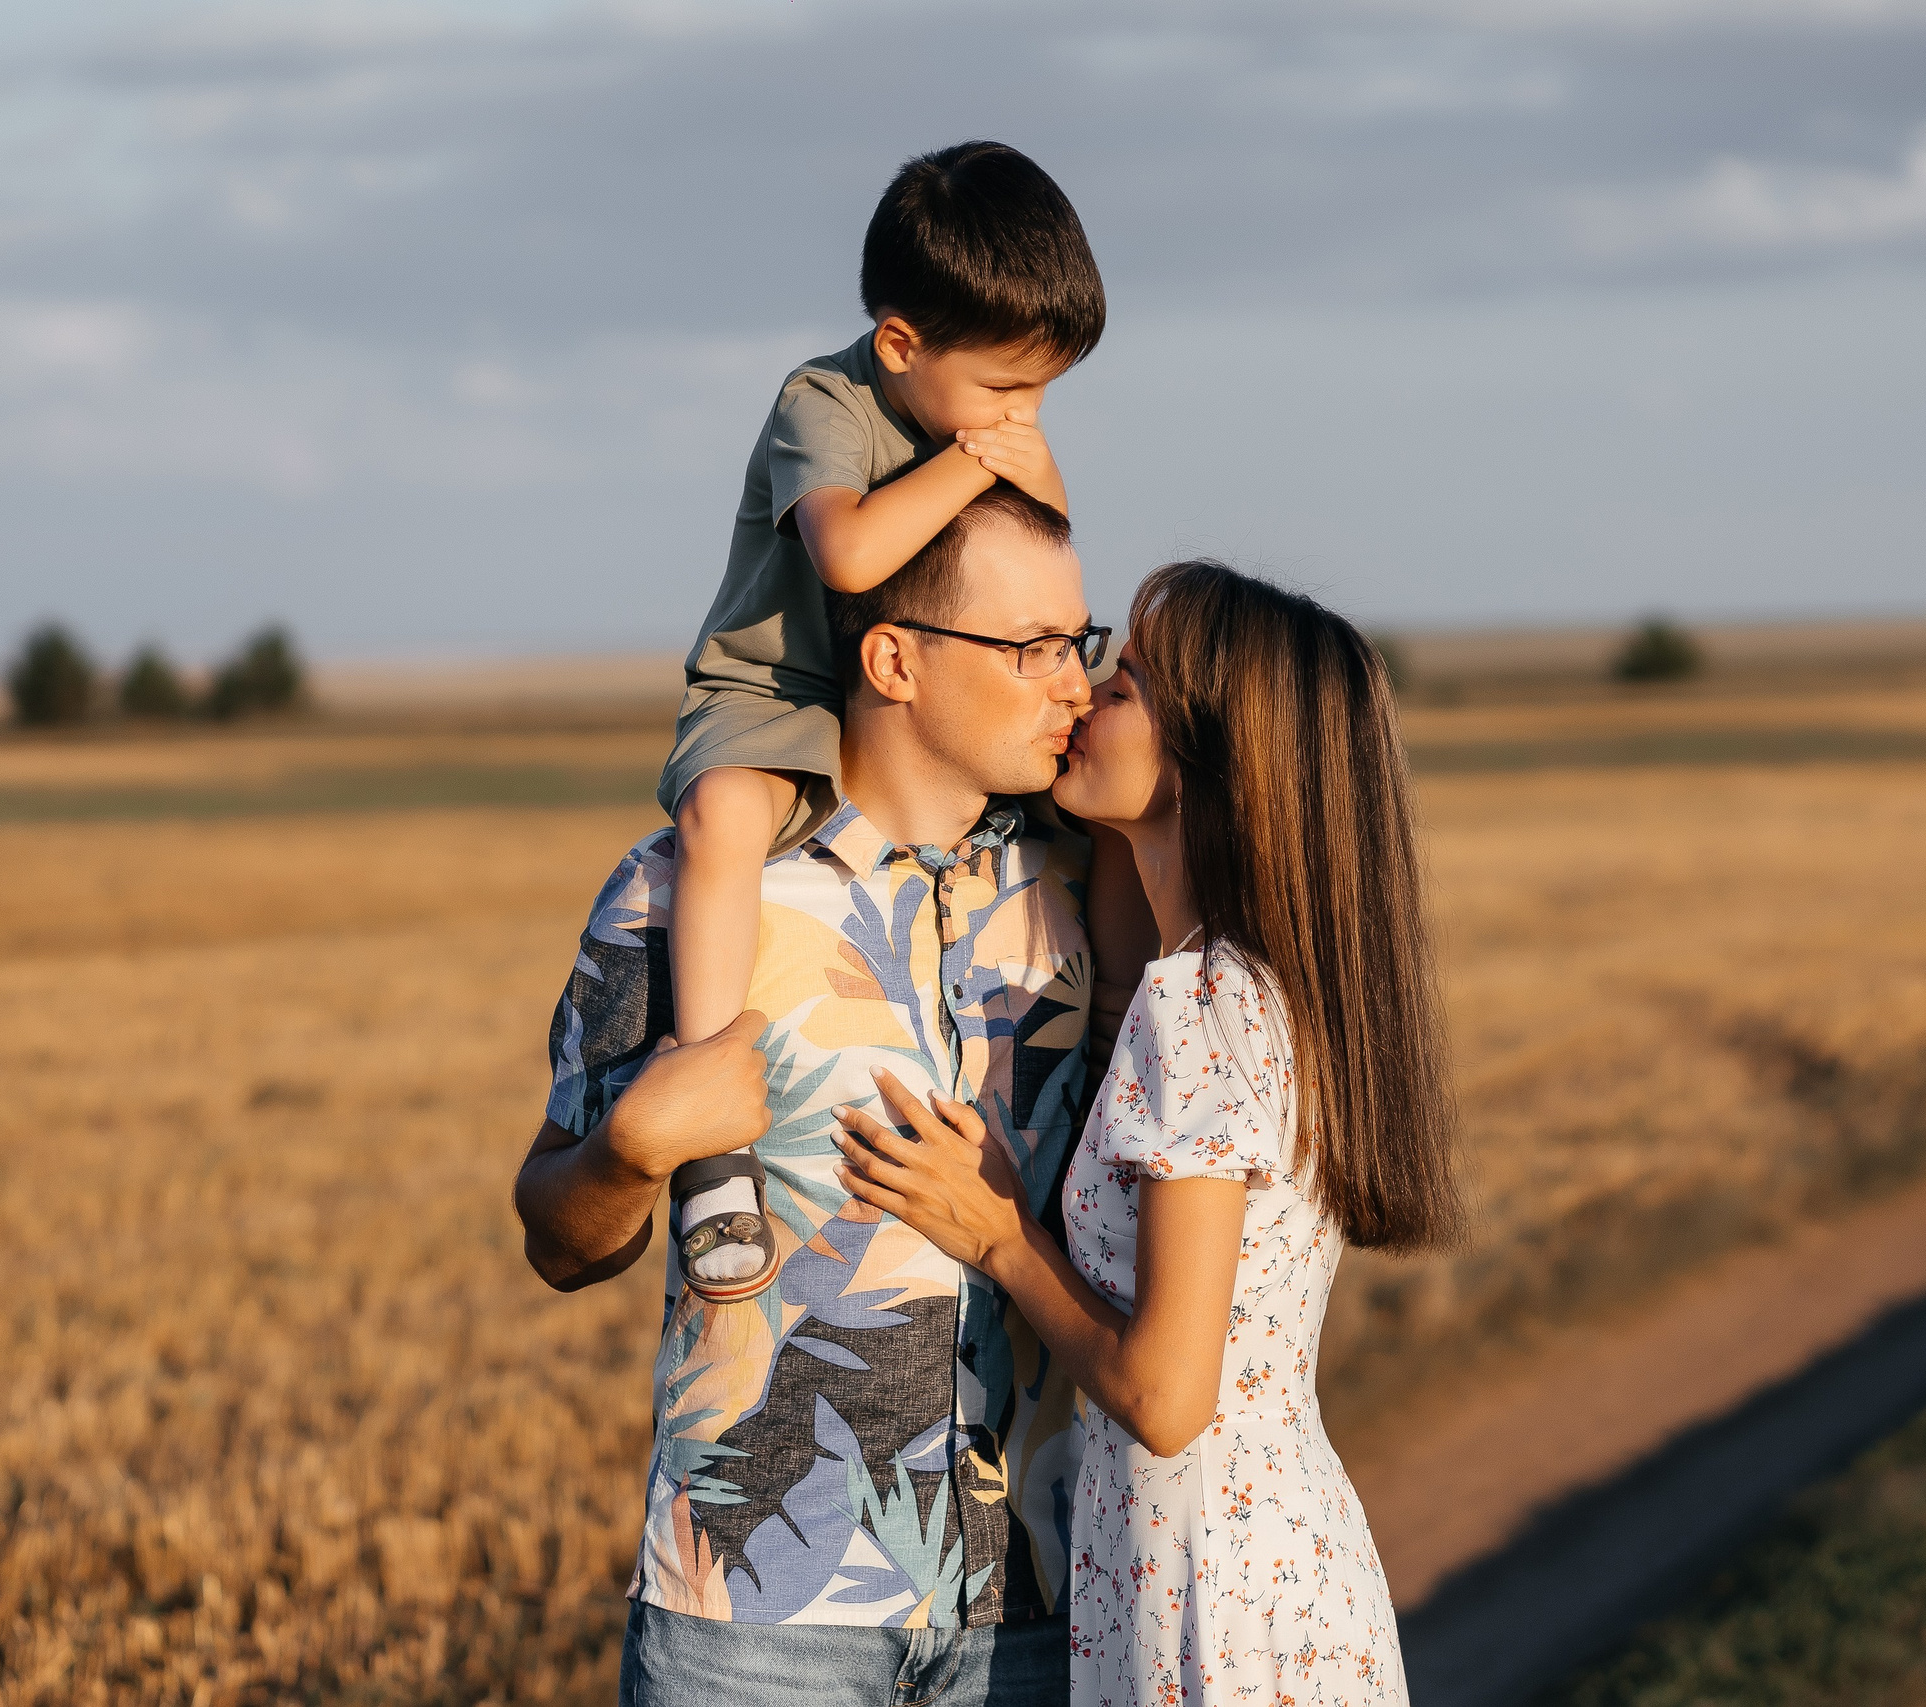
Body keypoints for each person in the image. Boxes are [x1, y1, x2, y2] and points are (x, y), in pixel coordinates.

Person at [515, 487, 1134, 1707]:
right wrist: (631, 1154)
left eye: (1082, 642)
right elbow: (556, 1239)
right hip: (756, 1632)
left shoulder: (1097, 882)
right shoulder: (689, 895)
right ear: (894, 659)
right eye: (1034, 648)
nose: (1074, 683)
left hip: (1050, 1606)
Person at [831, 560, 1465, 1707]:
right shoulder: (1248, 986)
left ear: (1215, 763)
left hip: (1210, 1598)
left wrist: (998, 1236)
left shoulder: (1205, 1003)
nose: (1078, 693)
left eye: (1121, 682)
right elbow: (1119, 947)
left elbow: (1168, 1397)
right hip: (1261, 1564)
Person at [656, 140, 1121, 1303]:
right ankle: (714, 1139)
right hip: (777, 692)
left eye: (1041, 392)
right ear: (902, 344)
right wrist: (978, 463)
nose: (1024, 416)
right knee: (721, 823)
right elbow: (851, 549)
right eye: (1006, 389)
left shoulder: (974, 416)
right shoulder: (824, 400)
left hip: (909, 719)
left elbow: (1044, 544)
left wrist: (1016, 467)